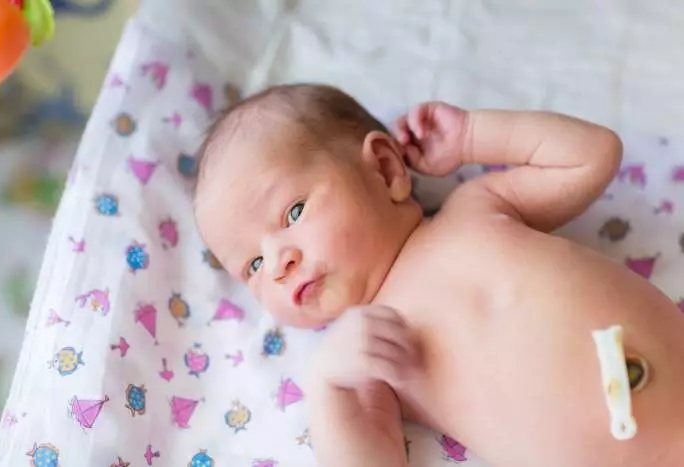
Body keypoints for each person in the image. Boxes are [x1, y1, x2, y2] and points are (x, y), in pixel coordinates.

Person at [194, 84, 684, 467]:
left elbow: (594, 154)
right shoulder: (371, 362)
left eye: (294, 212)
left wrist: (471, 136)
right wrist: (329, 386)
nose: (277, 263)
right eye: (252, 265)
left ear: (385, 169)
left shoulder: (476, 208)